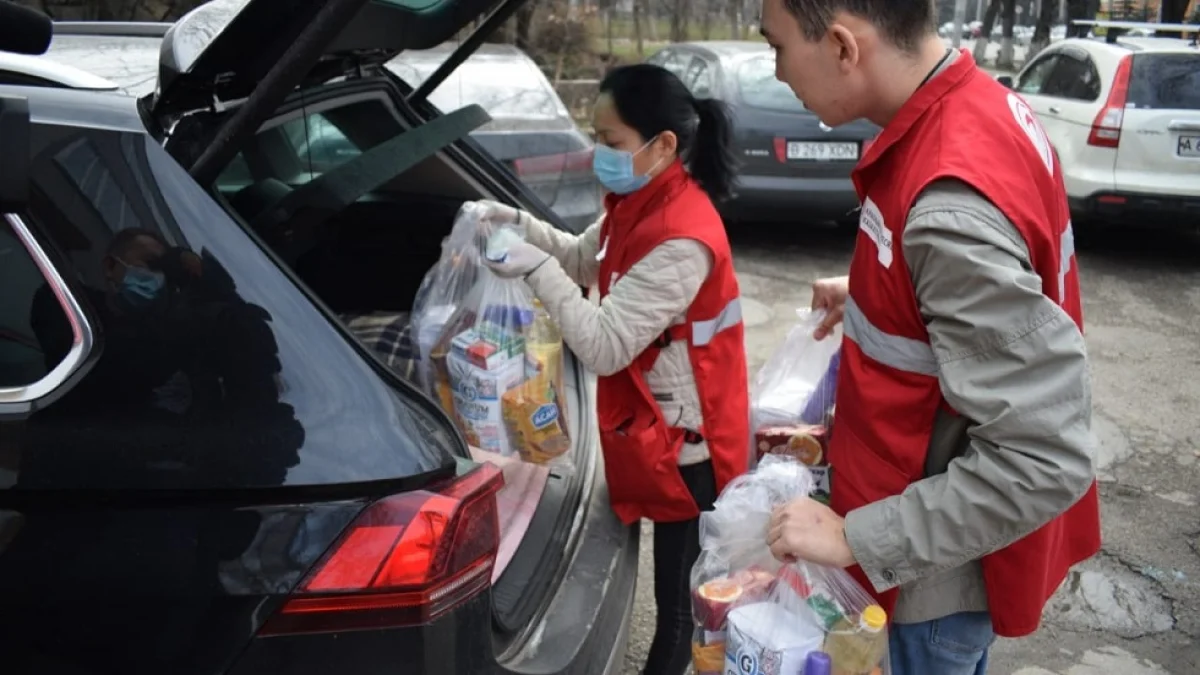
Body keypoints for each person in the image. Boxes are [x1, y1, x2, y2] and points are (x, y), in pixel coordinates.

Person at [756, 2, 1101, 674]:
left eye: (777, 48)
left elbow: (1044, 458)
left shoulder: (948, 206)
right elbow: (999, 280)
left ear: (841, 45)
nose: (777, 72)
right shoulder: (982, 107)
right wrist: (882, 287)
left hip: (926, 590)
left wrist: (856, 535)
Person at [470, 63, 749, 675]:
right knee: (669, 590)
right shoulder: (637, 200)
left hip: (692, 448)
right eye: (594, 135)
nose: (599, 151)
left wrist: (530, 269)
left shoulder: (683, 238)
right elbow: (579, 258)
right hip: (651, 424)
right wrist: (514, 223)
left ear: (663, 146)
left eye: (611, 140)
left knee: (676, 608)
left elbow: (604, 346)